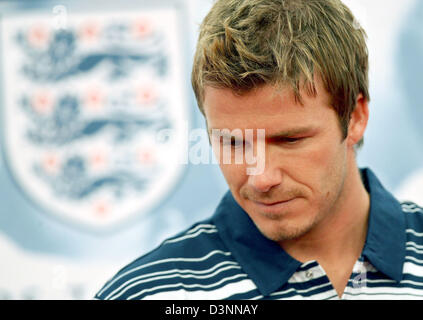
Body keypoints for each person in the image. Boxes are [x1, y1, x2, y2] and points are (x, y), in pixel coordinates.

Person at [95, 0, 423, 300]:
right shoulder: (148, 293)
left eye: (289, 140)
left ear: (355, 117)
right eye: (233, 143)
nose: (261, 177)